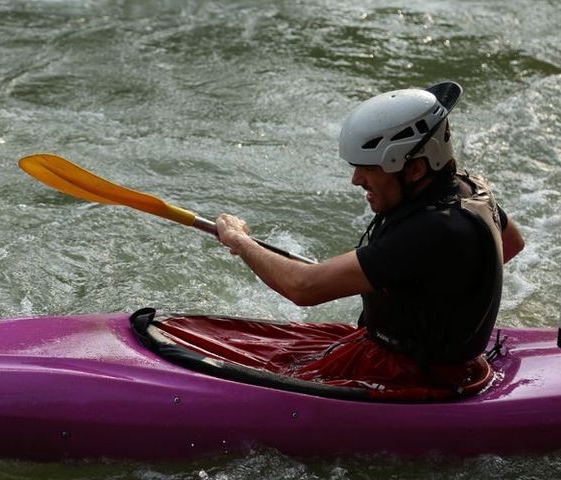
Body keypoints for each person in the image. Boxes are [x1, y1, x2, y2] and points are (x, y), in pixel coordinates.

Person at [215, 81, 524, 389]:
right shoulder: (469, 188)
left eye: (368, 169)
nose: (355, 180)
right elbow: (510, 243)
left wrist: (240, 242)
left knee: (262, 374)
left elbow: (302, 288)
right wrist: (431, 295)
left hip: (410, 376)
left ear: (414, 170)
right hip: (427, 359)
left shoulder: (431, 232)